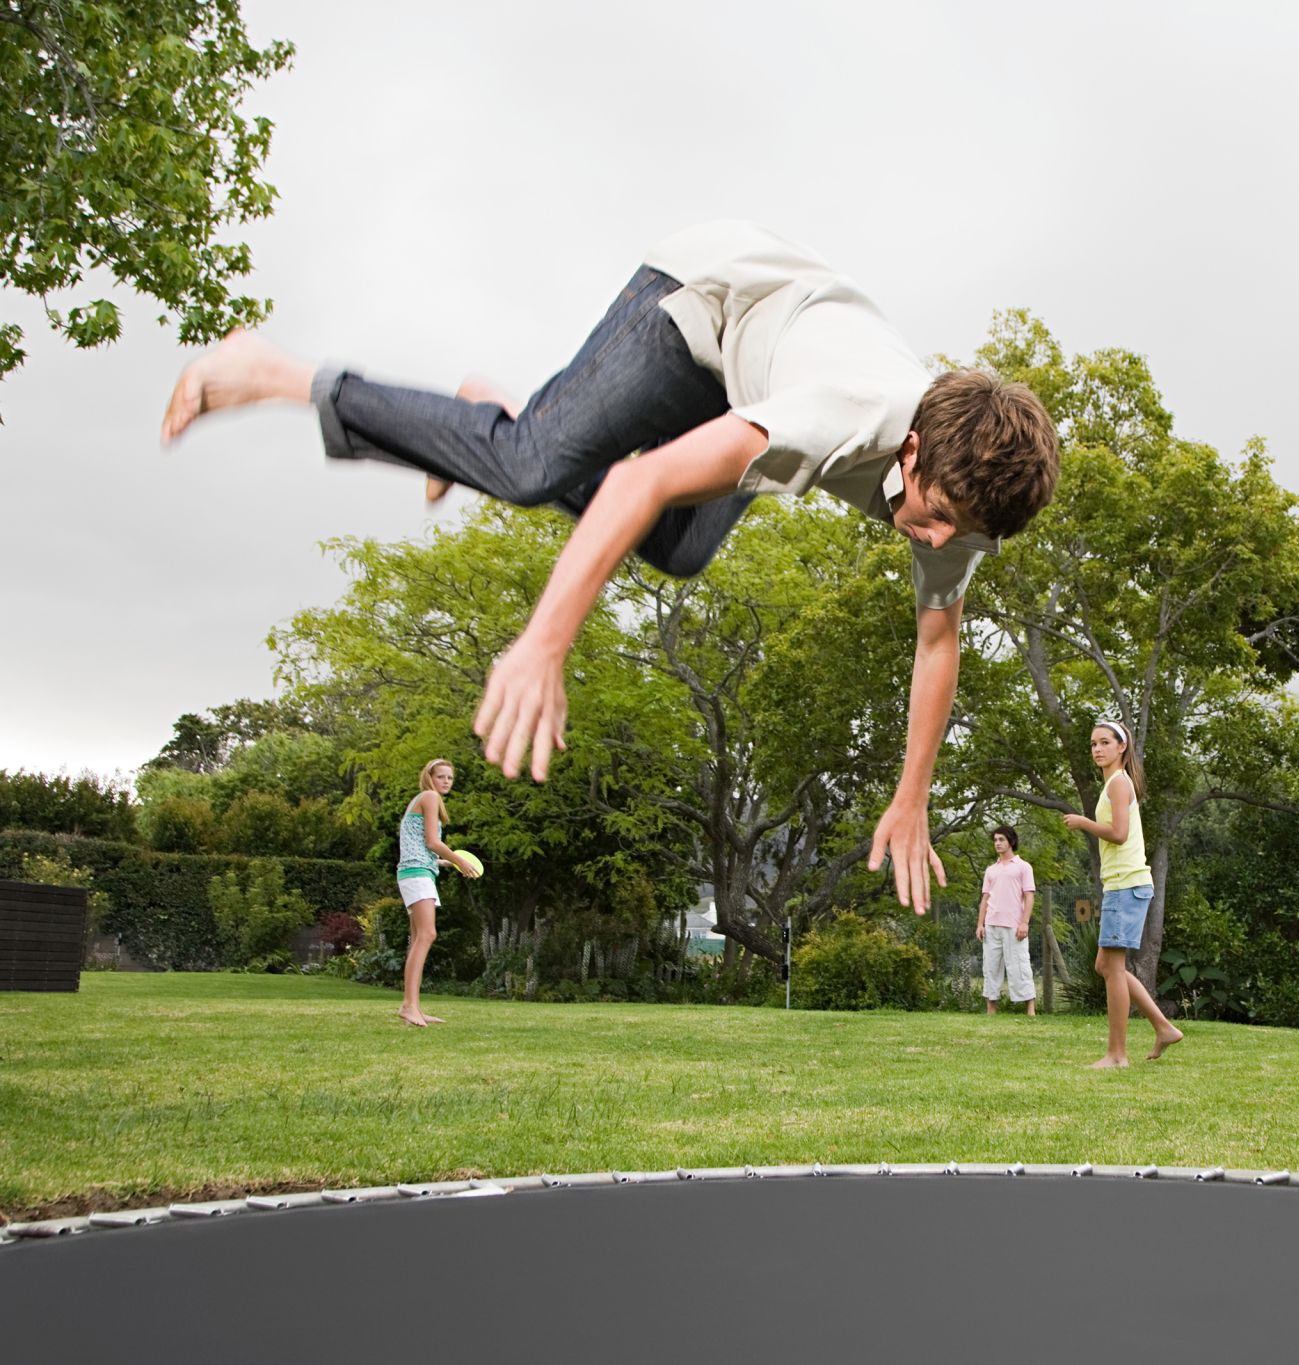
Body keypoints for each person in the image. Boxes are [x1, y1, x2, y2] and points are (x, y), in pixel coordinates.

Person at [161, 221, 1061, 914]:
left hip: (761, 372)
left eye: (961, 534)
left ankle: (492, 426)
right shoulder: (839, 418)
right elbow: (638, 479)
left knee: (676, 547)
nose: (935, 542)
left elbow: (937, 638)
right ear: (909, 450)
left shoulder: (973, 501)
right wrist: (542, 645)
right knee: (531, 469)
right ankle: (274, 372)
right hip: (704, 300)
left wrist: (911, 798)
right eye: (934, 516)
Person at [1064, 721, 1183, 1067]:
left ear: (1121, 747)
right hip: (1122, 884)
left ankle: (1117, 1055)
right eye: (1093, 744)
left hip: (1126, 885)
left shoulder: (1118, 784)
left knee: (1113, 968)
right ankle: (1163, 1027)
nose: (1097, 749)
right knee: (1105, 964)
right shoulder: (1114, 784)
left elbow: (1118, 833)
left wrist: (1083, 822)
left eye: (1104, 743)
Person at [395, 758, 479, 1027]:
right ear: (429, 777)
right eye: (441, 776)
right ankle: (409, 1006)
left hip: (417, 871)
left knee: (418, 937)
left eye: (450, 778)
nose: (446, 782)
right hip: (416, 874)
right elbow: (433, 841)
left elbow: (420, 844)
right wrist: (458, 860)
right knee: (428, 934)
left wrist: (441, 861)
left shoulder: (423, 799)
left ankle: (413, 1007)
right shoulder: (429, 796)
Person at [976, 824, 1037, 1016]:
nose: (997, 843)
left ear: (1011, 841)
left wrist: (1024, 922)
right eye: (995, 840)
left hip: (1014, 926)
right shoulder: (991, 870)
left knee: (1019, 966)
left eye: (1001, 839)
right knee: (991, 968)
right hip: (991, 926)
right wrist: (980, 924)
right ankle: (991, 1009)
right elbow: (985, 899)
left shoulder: (1023, 867)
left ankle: (1031, 1009)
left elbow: (1029, 896)